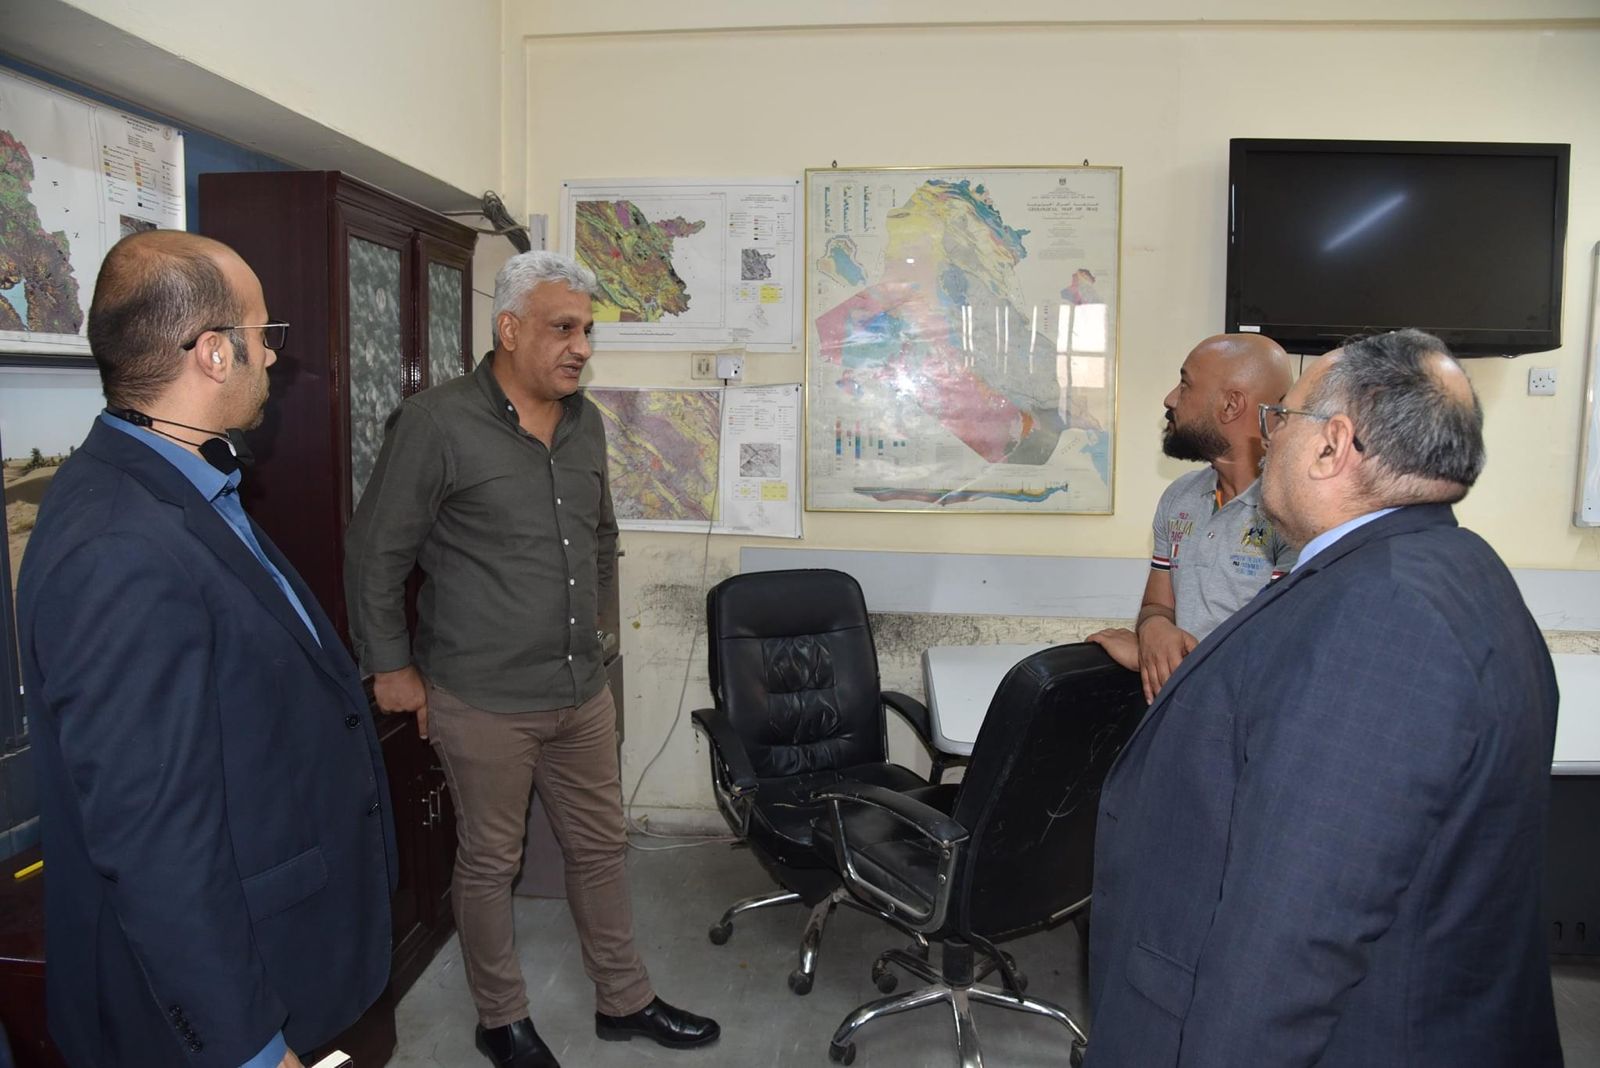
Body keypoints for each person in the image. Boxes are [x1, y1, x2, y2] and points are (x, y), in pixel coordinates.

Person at [1085, 330, 1562, 1067]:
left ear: (1332, 446)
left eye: (1283, 420)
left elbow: (1293, 934)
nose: (1268, 439)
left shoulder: (1381, 617)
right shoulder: (1452, 568)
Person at [17, 231, 396, 1068]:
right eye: (266, 334)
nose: (275, 356)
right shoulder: (117, 547)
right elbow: (155, 844)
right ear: (216, 353)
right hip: (220, 1015)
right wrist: (250, 1049)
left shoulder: (186, 486)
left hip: (292, 951)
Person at [344, 251, 719, 1068]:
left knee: (601, 846)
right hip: (480, 696)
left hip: (580, 688)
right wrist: (391, 668)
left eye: (586, 331)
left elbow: (601, 536)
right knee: (492, 861)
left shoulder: (585, 424)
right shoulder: (436, 423)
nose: (580, 347)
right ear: (510, 329)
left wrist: (602, 632)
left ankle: (625, 1000)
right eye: (563, 328)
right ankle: (501, 1019)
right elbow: (376, 552)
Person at [1088, 334, 1296, 701]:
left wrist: (1152, 659)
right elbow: (1157, 605)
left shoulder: (1295, 512)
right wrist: (1154, 630)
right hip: (1183, 708)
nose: (1170, 399)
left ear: (1231, 405)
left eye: (1185, 385)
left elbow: (1275, 653)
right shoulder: (1179, 497)